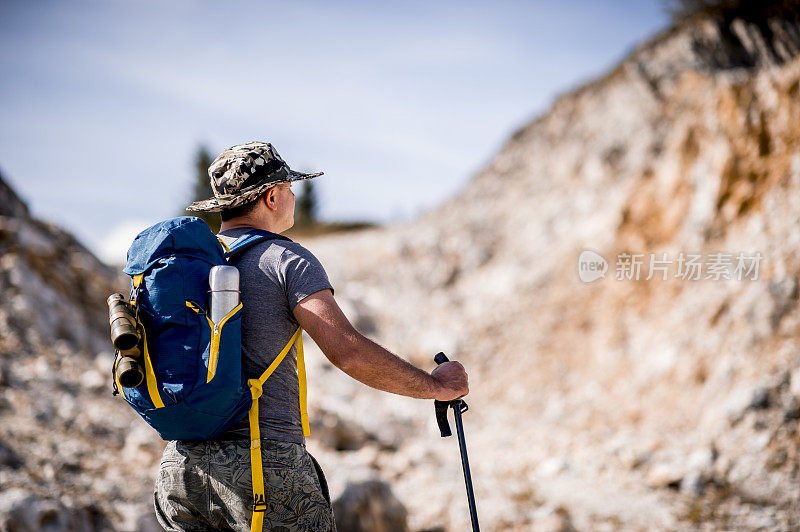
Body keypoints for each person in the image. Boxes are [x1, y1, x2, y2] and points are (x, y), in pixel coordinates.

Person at [153, 141, 469, 532]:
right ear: (271, 196)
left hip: (179, 470)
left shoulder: (185, 267)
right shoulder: (287, 259)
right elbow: (348, 352)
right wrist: (435, 387)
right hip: (262, 465)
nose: (293, 195)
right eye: (288, 187)